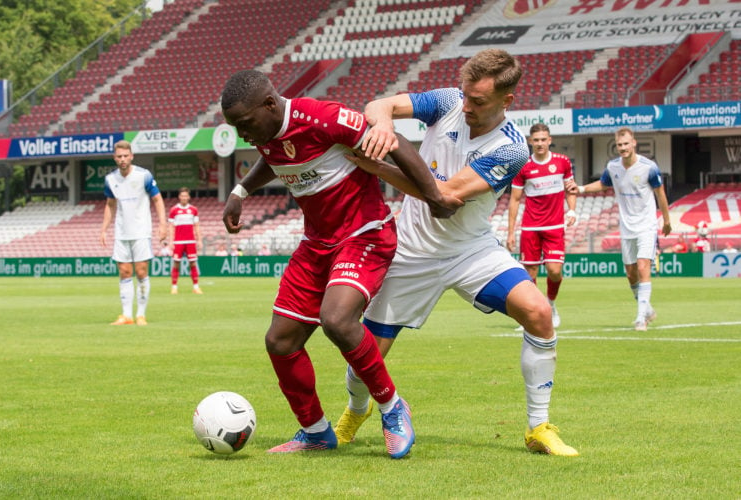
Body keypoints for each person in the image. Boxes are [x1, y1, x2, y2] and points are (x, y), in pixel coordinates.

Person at [334, 49, 579, 456]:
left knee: (538, 312)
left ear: (507, 101)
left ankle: (539, 427)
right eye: (465, 95)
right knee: (368, 354)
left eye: (478, 100)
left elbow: (443, 196)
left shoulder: (512, 149)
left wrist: (377, 165)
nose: (465, 105)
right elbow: (380, 104)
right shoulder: (449, 101)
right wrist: (381, 124)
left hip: (470, 250)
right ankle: (354, 412)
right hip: (411, 251)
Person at [220, 69, 457, 458]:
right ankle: (315, 432)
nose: (242, 134)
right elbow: (274, 157)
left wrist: (433, 196)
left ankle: (392, 408)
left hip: (365, 233)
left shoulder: (322, 117)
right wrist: (240, 190)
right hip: (316, 244)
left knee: (337, 319)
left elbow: (391, 141)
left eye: (244, 124)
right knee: (279, 341)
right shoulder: (265, 133)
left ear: (269, 104)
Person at [566, 127, 671, 331]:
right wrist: (580, 189)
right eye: (619, 145)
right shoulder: (613, 167)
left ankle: (641, 318)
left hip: (646, 225)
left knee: (643, 267)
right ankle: (646, 307)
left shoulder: (649, 167)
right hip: (627, 226)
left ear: (634, 143)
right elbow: (604, 184)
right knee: (631, 273)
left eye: (626, 144)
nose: (623, 148)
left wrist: (666, 221)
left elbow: (661, 194)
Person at [506, 123, 577, 329]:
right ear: (530, 142)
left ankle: (551, 305)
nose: (539, 144)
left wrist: (571, 210)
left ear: (549, 140)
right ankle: (534, 313)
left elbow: (570, 188)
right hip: (530, 227)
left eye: (543, 140)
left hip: (555, 226)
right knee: (529, 275)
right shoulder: (524, 167)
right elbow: (515, 200)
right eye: (535, 140)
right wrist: (511, 232)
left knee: (555, 271)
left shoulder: (562, 162)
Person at [100, 140, 167, 326]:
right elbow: (110, 205)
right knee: (124, 271)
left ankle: (141, 315)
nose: (122, 159)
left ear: (131, 156)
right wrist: (104, 229)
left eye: (125, 156)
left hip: (141, 231)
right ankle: (126, 315)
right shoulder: (111, 179)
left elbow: (158, 199)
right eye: (119, 156)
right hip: (121, 232)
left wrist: (163, 224)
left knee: (141, 271)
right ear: (115, 158)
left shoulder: (143, 175)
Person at [168, 187, 203, 294]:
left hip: (190, 241)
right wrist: (171, 241)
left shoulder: (193, 210)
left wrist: (199, 240)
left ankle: (196, 287)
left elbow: (196, 226)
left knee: (193, 263)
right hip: (178, 241)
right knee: (176, 264)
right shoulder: (174, 210)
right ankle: (174, 287)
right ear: (179, 197)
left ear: (189, 197)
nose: (184, 198)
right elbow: (171, 226)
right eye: (182, 196)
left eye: (185, 196)